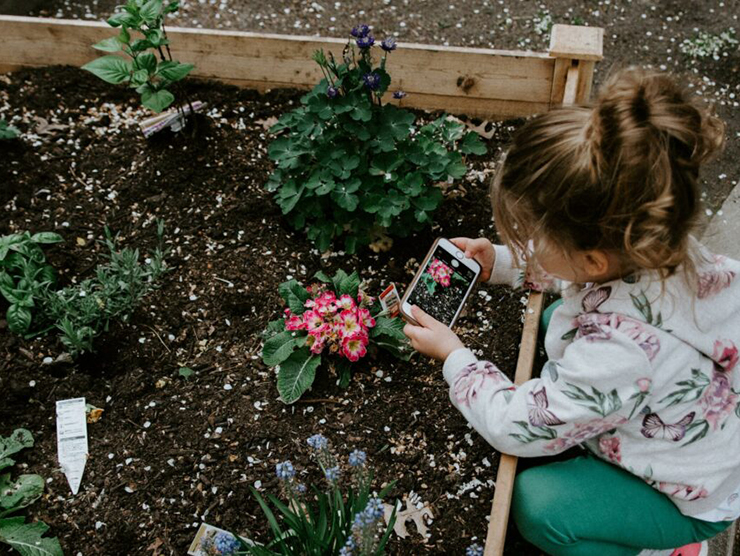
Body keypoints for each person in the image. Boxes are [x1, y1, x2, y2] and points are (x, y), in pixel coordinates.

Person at [403, 67, 738, 556]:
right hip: (697, 433)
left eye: (534, 239)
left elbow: (516, 426)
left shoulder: (618, 353)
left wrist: (456, 357)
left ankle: (660, 547)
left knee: (541, 507)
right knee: (559, 315)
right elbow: (577, 269)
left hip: (685, 495)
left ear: (594, 260)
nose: (527, 244)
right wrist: (502, 262)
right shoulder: (662, 247)